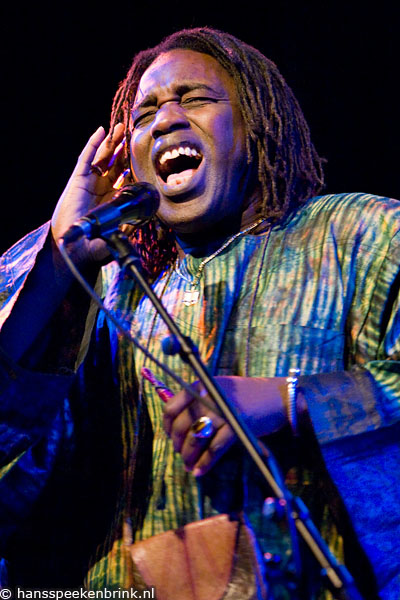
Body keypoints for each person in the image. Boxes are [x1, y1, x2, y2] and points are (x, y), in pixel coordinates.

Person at [0, 27, 399, 599]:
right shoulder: (103, 282)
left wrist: (288, 400)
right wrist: (62, 253)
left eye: (195, 98)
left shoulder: (363, 236)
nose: (165, 120)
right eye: (144, 115)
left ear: (256, 125)